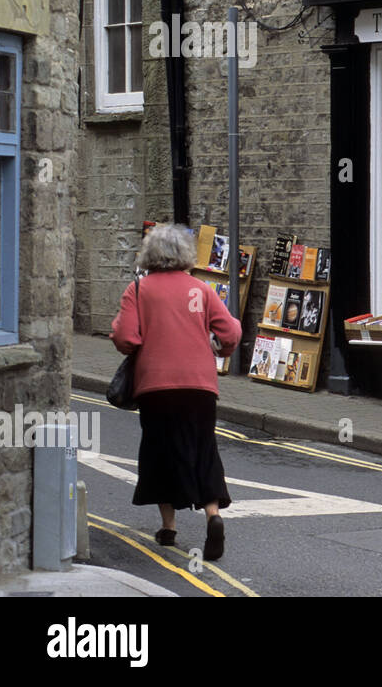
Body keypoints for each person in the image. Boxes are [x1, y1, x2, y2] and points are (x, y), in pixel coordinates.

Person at [110, 224, 241, 559]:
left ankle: (169, 529)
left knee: (160, 452)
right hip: (200, 386)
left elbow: (125, 338)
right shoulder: (202, 289)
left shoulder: (138, 290)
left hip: (156, 387)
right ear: (185, 255)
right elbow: (230, 333)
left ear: (150, 255)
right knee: (203, 448)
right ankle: (213, 515)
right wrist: (219, 351)